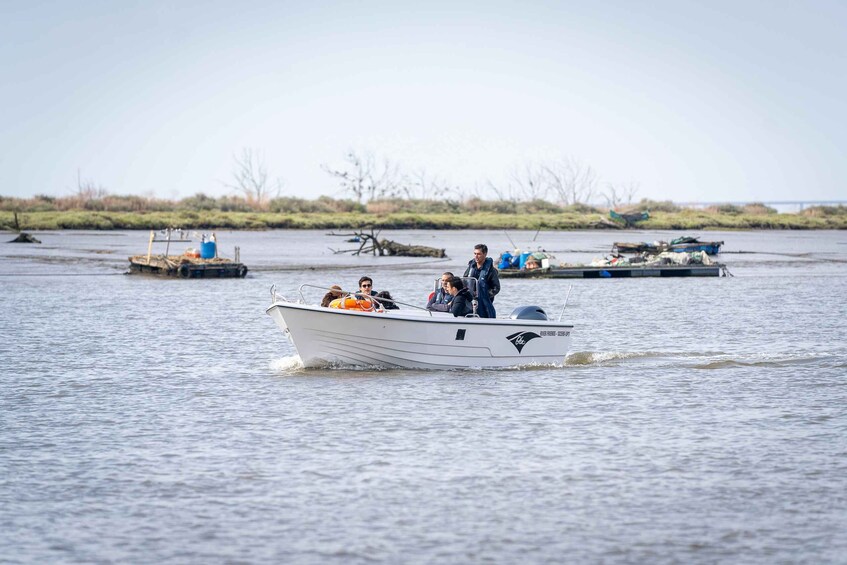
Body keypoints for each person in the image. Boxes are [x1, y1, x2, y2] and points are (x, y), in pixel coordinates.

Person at [462, 243, 500, 318]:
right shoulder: (470, 268)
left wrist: (484, 294)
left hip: (484, 301)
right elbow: (464, 281)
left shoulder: (491, 271)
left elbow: (496, 288)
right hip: (469, 299)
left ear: (485, 254)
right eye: (475, 253)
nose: (476, 256)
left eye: (478, 254)